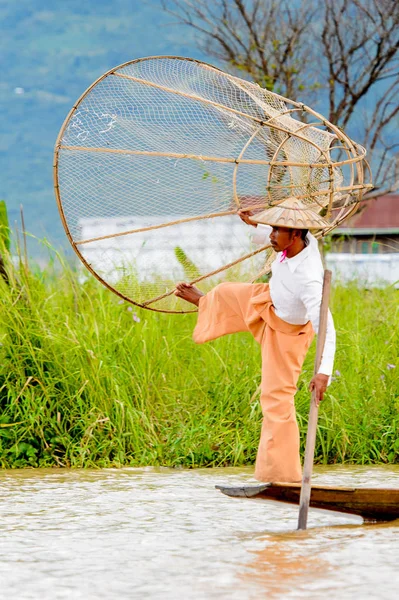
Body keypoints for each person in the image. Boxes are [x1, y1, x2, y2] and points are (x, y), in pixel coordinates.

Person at [175, 197, 336, 483]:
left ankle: (282, 477)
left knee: (276, 401)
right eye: (271, 229)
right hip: (268, 300)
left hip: (287, 334)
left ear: (296, 234)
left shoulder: (309, 278)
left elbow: (326, 326)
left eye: (276, 231)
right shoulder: (291, 244)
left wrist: (323, 373)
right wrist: (255, 221)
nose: (271, 236)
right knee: (225, 291)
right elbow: (273, 234)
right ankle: (205, 302)